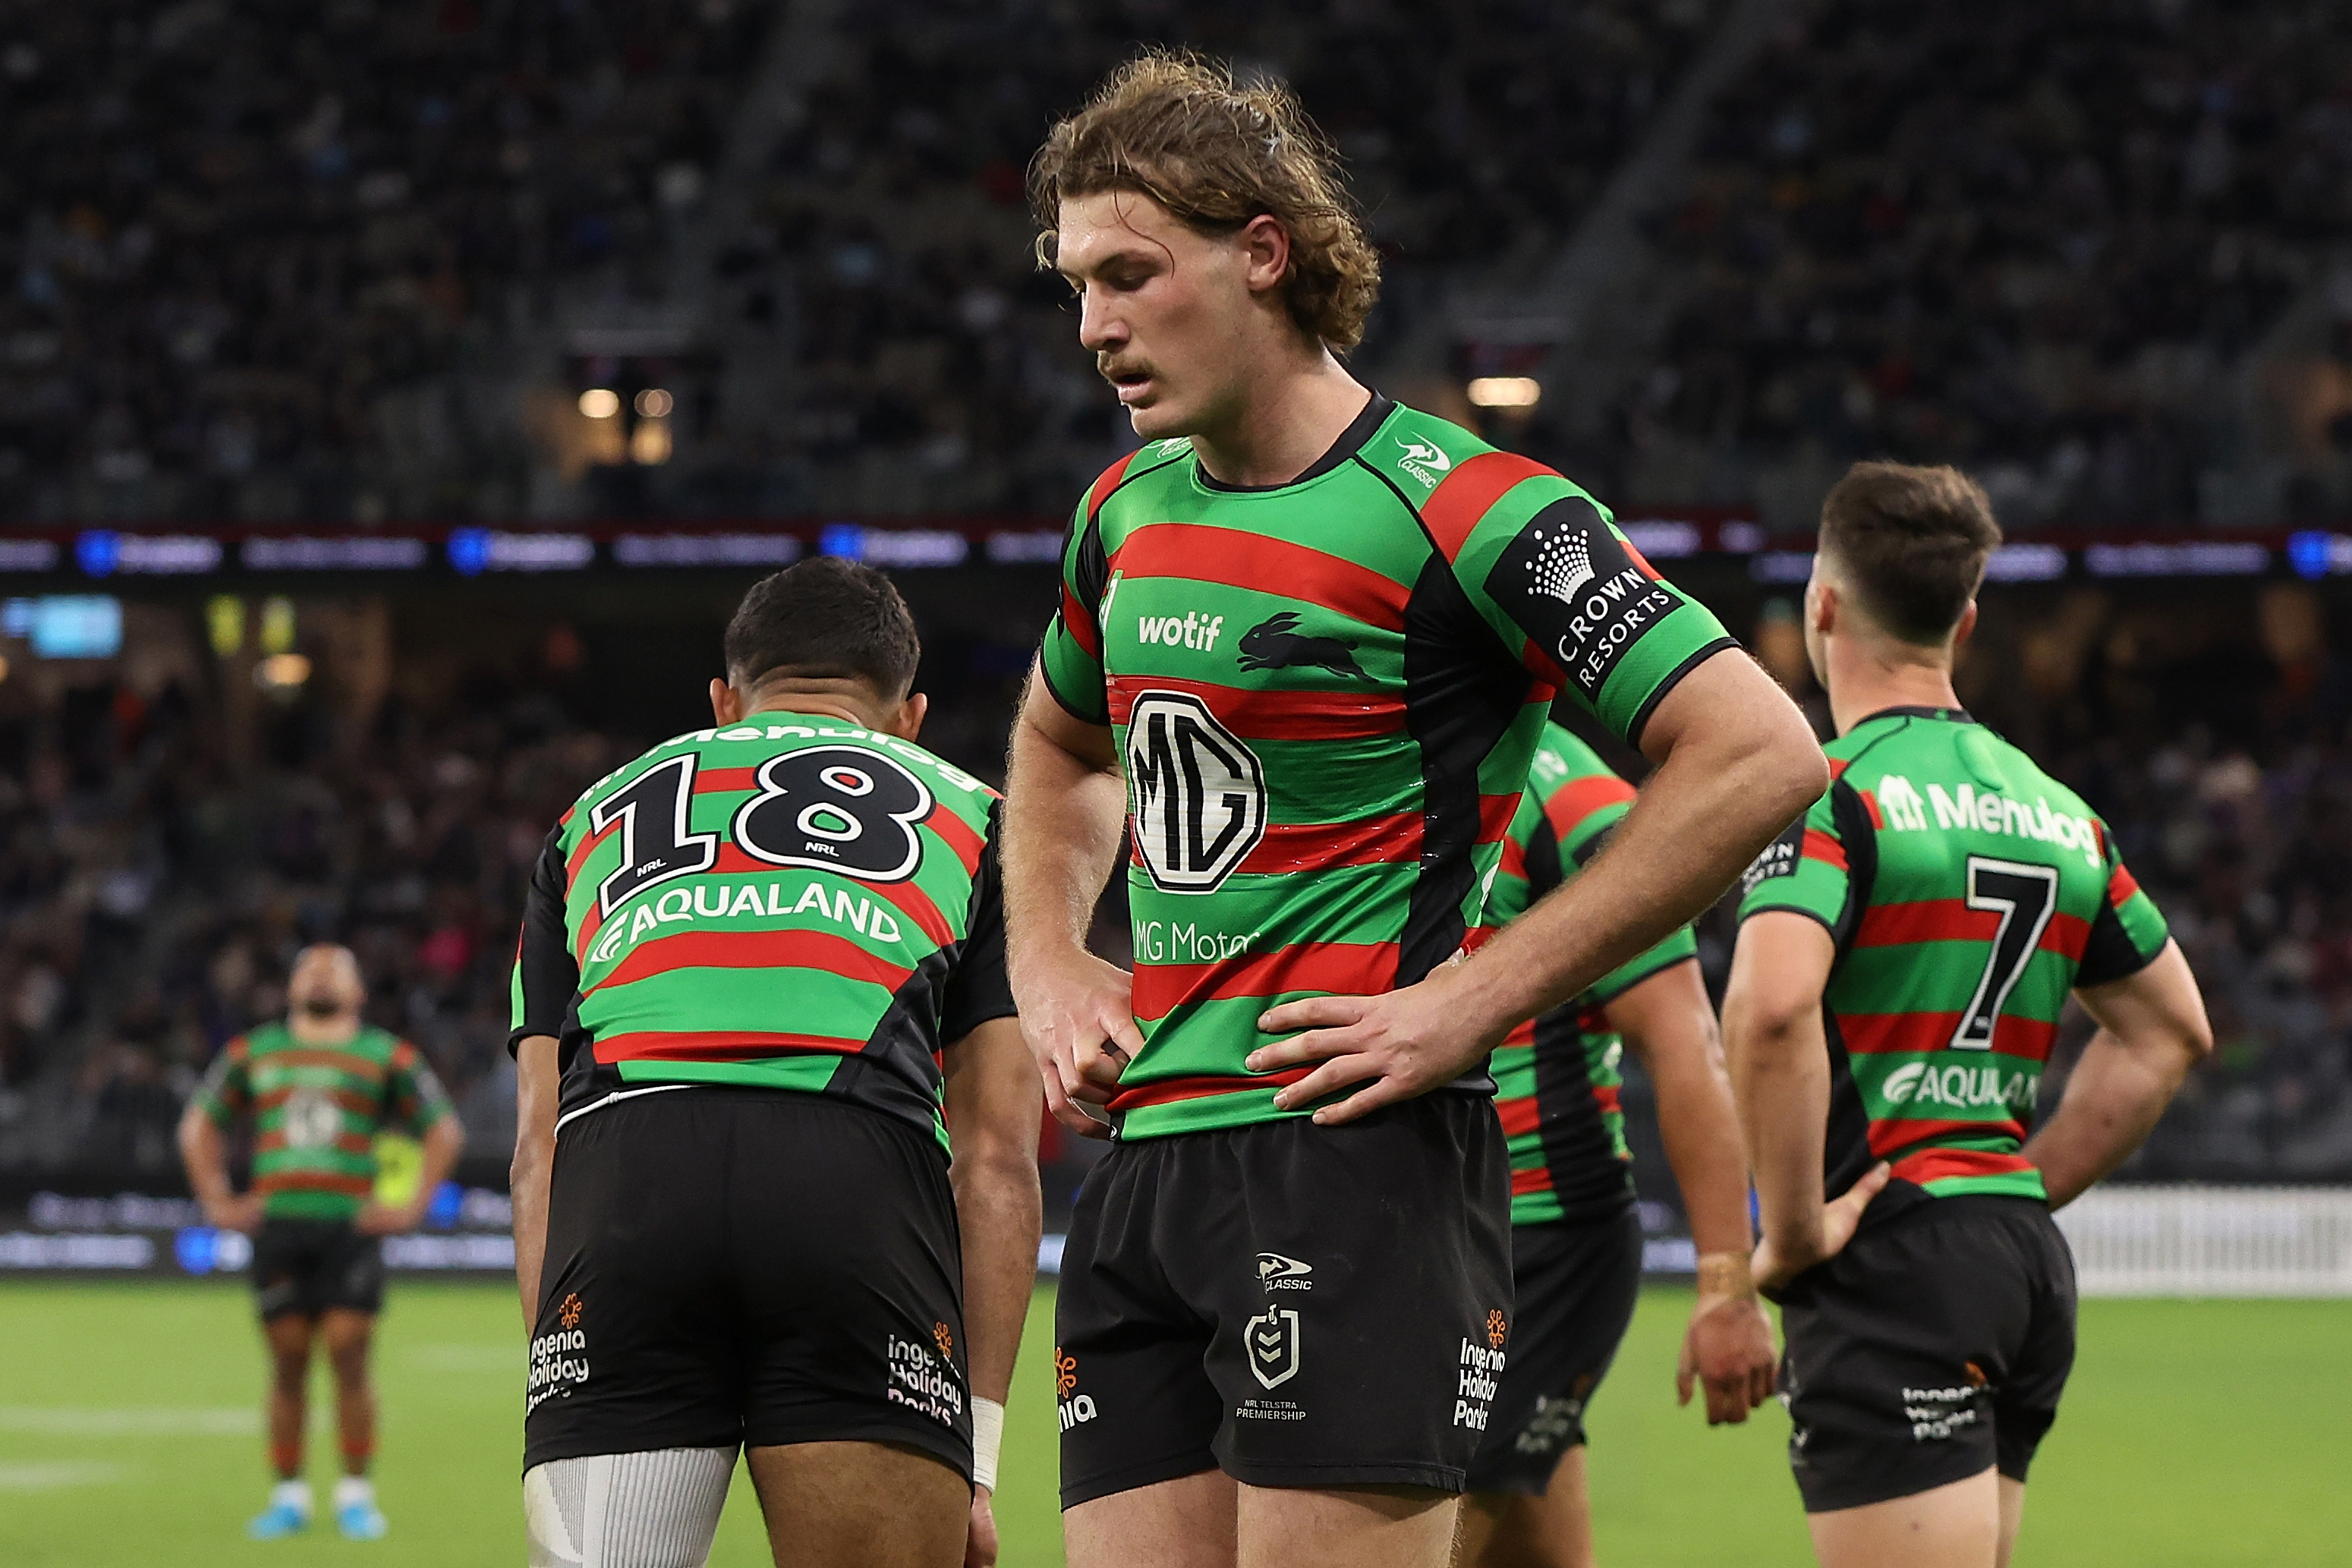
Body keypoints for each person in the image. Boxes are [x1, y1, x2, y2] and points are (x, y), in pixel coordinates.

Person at [1003, 52, 1826, 1568]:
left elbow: (1759, 752)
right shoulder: (1120, 513)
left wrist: (1478, 996)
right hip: (1143, 1170)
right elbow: (1058, 748)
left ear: (1263, 251)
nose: (1094, 328)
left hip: (1355, 1161)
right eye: (1073, 286)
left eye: (1130, 273)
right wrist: (1048, 965)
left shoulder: (1476, 511)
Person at [1721, 462, 2214, 1568]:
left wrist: (1792, 1231)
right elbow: (2167, 1031)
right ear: (1967, 618)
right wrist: (2018, 1187)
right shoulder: (2057, 811)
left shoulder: (1824, 792)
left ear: (1822, 607)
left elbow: (1765, 1006)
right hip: (2016, 1263)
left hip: (1890, 1259)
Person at [507, 558, 1042, 1568]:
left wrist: (562, 1382)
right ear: (908, 714)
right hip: (854, 1185)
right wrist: (973, 1452)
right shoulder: (983, 818)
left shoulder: (588, 817)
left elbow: (536, 1151)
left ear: (723, 702)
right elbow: (998, 1156)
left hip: (624, 1184)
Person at [1456, 724, 1778, 1568]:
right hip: (1429, 1227)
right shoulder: (1399, 755)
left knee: (1407, 1527)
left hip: (1543, 1239)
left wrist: (1725, 1283)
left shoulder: (1579, 801)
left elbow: (1685, 1041)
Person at [178, 943, 465, 1541]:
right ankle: (289, 1496)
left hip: (347, 1229)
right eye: (309, 966)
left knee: (349, 1352)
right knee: (286, 1361)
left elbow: (442, 1130)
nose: (320, 975)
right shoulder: (254, 1051)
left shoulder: (385, 1055)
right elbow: (199, 1125)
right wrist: (217, 1201)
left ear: (359, 992)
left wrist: (411, 1205)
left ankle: (356, 1494)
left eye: (336, 968)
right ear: (290, 987)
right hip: (278, 1225)